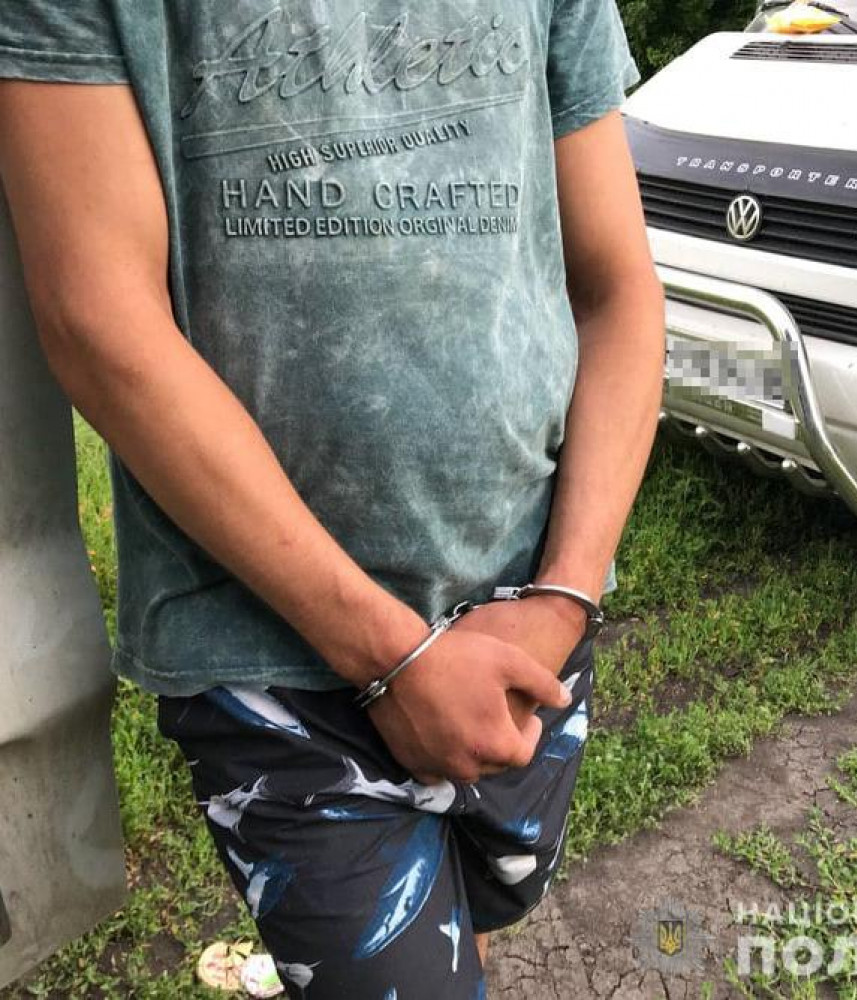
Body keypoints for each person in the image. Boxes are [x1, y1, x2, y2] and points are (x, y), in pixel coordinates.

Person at [0, 2, 663, 996]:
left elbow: (617, 287)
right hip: (274, 649)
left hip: (534, 605)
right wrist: (393, 658)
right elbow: (97, 320)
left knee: (476, 916)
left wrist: (564, 596)